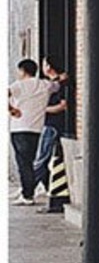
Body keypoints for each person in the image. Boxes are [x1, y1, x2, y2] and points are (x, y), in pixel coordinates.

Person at [8, 57, 51, 204]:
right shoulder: (44, 84)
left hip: (19, 128)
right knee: (30, 162)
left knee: (23, 164)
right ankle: (28, 191)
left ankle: (27, 195)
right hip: (36, 129)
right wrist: (58, 76)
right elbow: (58, 84)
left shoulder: (18, 85)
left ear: (22, 71)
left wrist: (12, 110)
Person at [32, 55, 69, 210]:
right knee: (43, 160)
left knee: (40, 160)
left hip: (52, 126)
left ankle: (27, 190)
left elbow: (63, 105)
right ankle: (50, 190)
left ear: (49, 66)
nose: (42, 67)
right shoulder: (53, 83)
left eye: (44, 64)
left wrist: (42, 109)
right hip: (46, 124)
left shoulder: (62, 85)